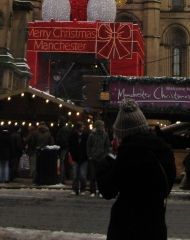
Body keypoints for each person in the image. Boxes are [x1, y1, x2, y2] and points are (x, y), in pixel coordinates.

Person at [97, 99, 176, 240]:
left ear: (123, 133)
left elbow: (108, 190)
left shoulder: (128, 153)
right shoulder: (164, 150)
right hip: (155, 223)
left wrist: (105, 164)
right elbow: (166, 188)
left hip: (127, 225)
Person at [87, 119, 110, 196]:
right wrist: (89, 155)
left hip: (101, 158)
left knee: (101, 176)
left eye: (103, 125)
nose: (102, 127)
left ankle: (101, 191)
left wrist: (104, 155)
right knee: (92, 175)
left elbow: (107, 146)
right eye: (101, 125)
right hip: (93, 158)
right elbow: (88, 145)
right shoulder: (92, 135)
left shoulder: (105, 135)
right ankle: (92, 191)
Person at [69, 120, 89, 196]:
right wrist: (73, 153)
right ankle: (75, 189)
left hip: (84, 158)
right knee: (75, 175)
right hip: (76, 157)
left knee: (82, 175)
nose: (83, 128)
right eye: (82, 126)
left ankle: (82, 189)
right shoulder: (73, 136)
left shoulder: (86, 135)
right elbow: (70, 146)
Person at [55, 115, 72, 183]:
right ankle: (63, 176)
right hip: (64, 147)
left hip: (63, 148)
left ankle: (62, 177)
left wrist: (60, 146)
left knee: (62, 162)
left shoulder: (63, 129)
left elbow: (63, 140)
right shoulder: (65, 129)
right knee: (63, 162)